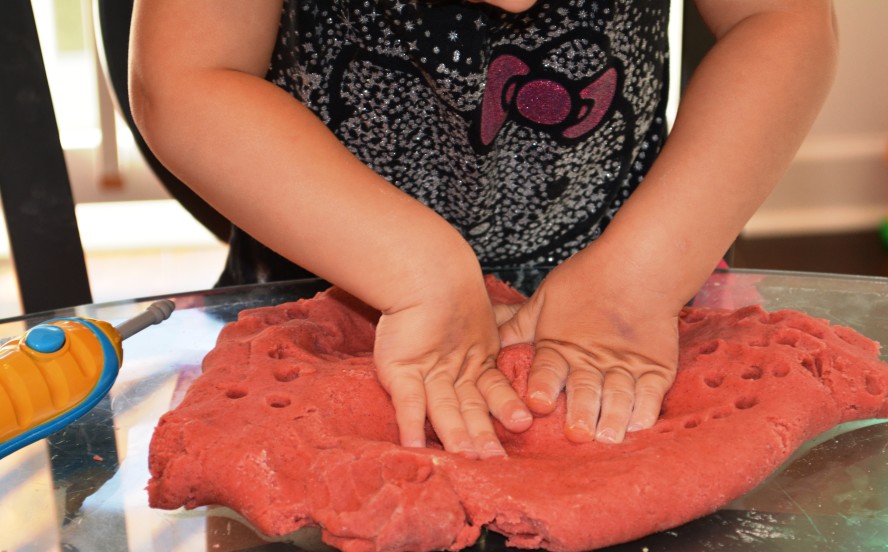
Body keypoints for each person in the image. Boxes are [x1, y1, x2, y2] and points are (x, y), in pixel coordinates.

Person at [129, 0, 838, 457]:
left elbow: (783, 20)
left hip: (627, 313)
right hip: (317, 310)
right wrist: (415, 274)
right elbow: (186, 77)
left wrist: (640, 277)